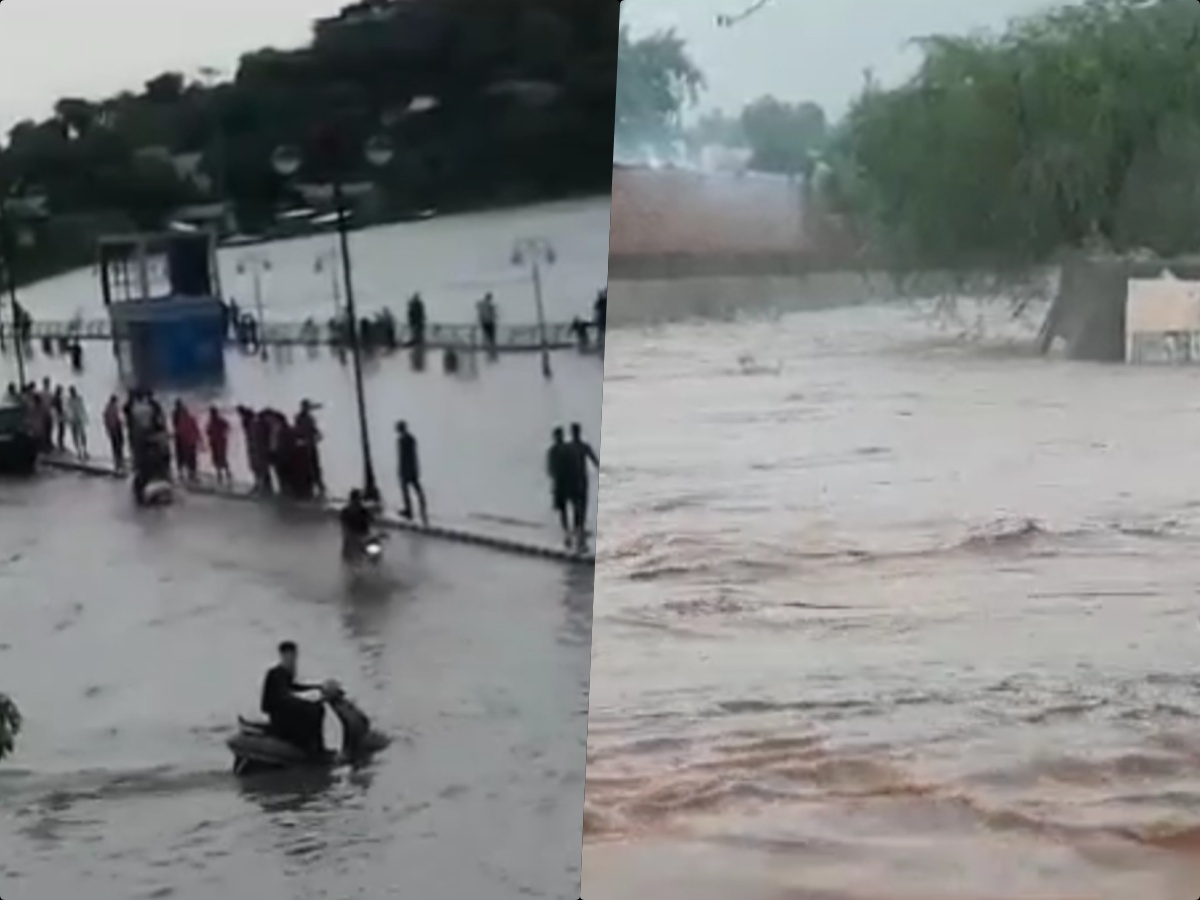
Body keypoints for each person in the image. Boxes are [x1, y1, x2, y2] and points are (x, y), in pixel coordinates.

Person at [260, 641, 328, 757]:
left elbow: (294, 688)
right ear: (283, 656)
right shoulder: (276, 673)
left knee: (316, 709)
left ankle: (317, 748)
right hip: (279, 716)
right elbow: (283, 696)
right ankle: (312, 750)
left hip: (283, 712)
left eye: (294, 656)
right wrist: (302, 702)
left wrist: (318, 687)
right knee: (313, 711)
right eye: (290, 656)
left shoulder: (284, 673)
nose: (293, 660)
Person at [563, 422, 600, 550]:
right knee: (581, 504)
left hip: (575, 480)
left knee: (578, 504)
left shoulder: (569, 447)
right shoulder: (583, 446)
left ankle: (577, 528)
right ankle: (579, 528)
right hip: (579, 480)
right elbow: (595, 461)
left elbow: (595, 461)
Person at [395, 420, 428, 525]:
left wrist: (400, 470)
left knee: (406, 491)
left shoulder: (402, 440)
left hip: (405, 469)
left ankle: (409, 511)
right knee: (417, 489)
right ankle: (422, 509)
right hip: (412, 468)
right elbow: (414, 455)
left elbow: (401, 457)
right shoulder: (411, 439)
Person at [546, 427, 571, 545]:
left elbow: (550, 469)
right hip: (565, 482)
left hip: (561, 482)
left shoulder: (553, 450)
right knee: (565, 508)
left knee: (563, 508)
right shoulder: (566, 449)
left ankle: (567, 530)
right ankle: (569, 529)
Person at [339, 489, 375, 561]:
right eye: (359, 498)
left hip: (359, 537)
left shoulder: (350, 510)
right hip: (356, 537)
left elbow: (371, 519)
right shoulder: (360, 510)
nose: (360, 500)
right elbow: (372, 519)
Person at [206, 406, 231, 484]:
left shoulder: (218, 421)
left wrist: (223, 433)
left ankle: (225, 473)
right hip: (216, 442)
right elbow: (208, 432)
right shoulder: (212, 422)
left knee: (221, 458)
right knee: (217, 458)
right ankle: (222, 474)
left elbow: (227, 427)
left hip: (219, 442)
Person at [104, 395, 125, 470]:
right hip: (116, 428)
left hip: (113, 428)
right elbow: (118, 418)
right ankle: (119, 459)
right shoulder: (114, 408)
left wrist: (107, 429)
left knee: (116, 444)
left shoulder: (108, 408)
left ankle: (118, 459)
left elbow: (106, 419)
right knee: (119, 443)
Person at [65, 386, 87, 458]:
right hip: (74, 421)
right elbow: (68, 410)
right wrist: (69, 419)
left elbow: (82, 408)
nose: (73, 393)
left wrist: (85, 418)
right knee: (76, 437)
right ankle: (79, 452)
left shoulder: (78, 399)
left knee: (82, 436)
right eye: (72, 391)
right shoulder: (69, 400)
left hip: (79, 420)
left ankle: (84, 451)